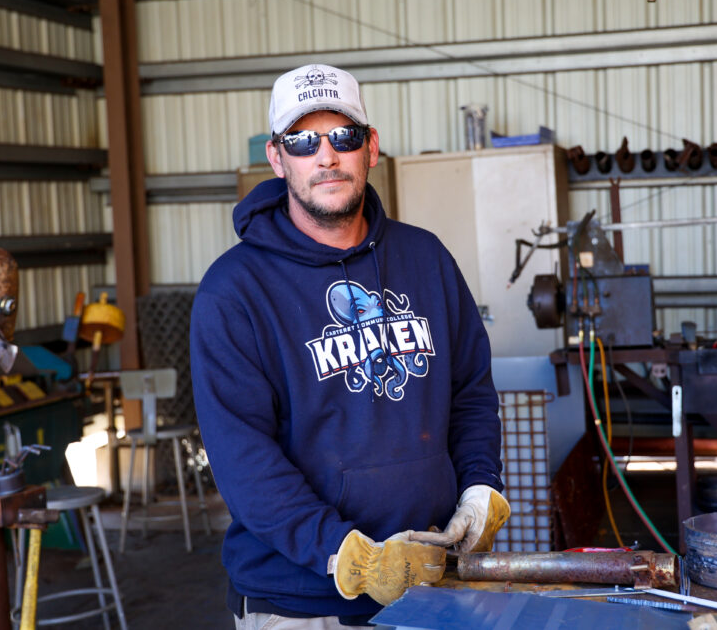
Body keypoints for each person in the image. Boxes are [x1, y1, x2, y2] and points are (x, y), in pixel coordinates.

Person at [190, 63, 510, 629]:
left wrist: (480, 484)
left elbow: (470, 392)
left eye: (343, 136)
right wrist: (346, 556)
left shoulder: (426, 258)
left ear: (371, 147)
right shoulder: (234, 291)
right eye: (303, 140)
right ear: (277, 157)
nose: (326, 155)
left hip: (435, 585)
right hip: (300, 603)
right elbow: (244, 458)